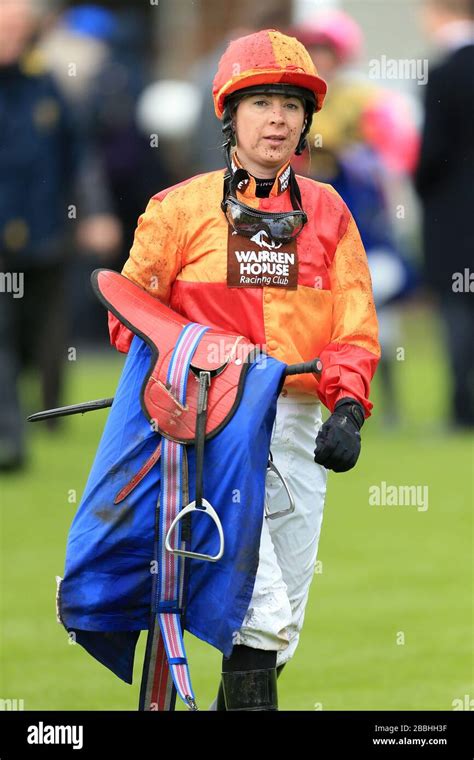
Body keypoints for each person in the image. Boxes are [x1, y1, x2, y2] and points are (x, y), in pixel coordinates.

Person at [108, 29, 380, 710]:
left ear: (307, 121)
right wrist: (212, 360)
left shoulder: (331, 213)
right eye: (261, 102)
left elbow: (353, 326)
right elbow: (127, 317)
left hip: (297, 426)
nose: (278, 119)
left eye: (291, 105)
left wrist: (347, 407)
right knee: (261, 616)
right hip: (210, 428)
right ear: (230, 115)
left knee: (280, 631)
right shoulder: (176, 211)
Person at [415, 0, 474, 428]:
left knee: (457, 310)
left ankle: (462, 407)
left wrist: (420, 189)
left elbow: (432, 152)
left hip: (455, 213)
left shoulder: (445, 73)